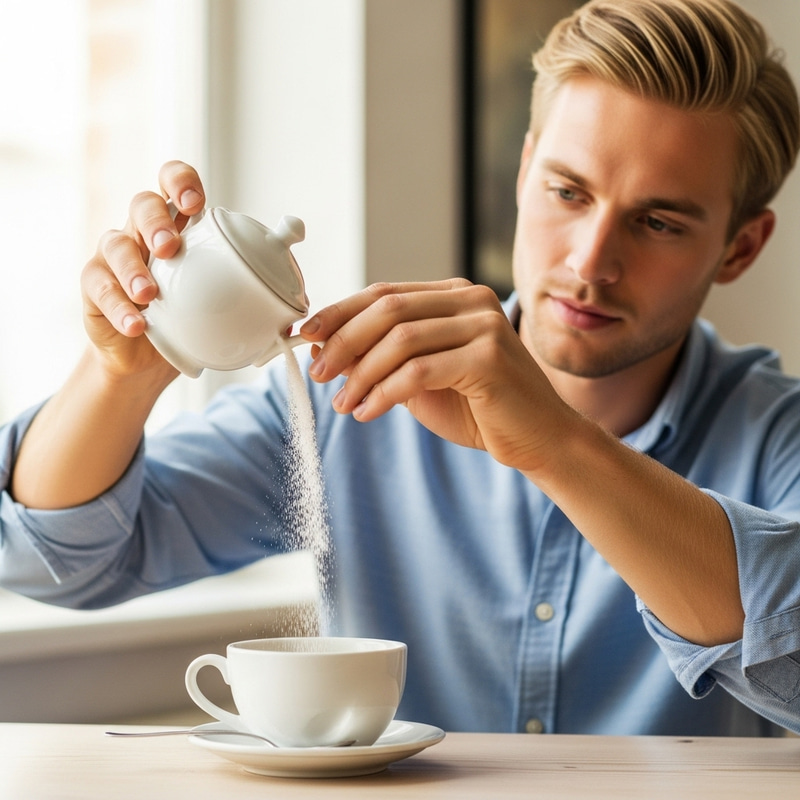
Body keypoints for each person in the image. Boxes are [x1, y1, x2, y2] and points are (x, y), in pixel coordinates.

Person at [2, 0, 800, 736]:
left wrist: (556, 445)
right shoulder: (360, 395)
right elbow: (52, 564)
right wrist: (125, 372)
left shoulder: (776, 437)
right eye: (566, 191)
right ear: (524, 174)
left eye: (658, 222)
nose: (592, 262)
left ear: (740, 247)